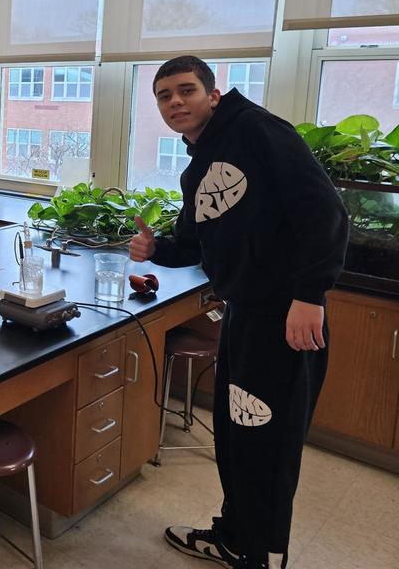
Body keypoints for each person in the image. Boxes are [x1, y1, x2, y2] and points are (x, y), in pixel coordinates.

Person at [129, 55, 348, 569]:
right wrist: (154, 247)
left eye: (186, 90)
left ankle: (263, 555)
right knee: (239, 436)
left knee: (268, 444)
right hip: (246, 314)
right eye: (164, 95)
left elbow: (326, 213)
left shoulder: (259, 131)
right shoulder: (201, 162)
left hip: (285, 318)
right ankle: (234, 538)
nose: (175, 102)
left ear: (214, 94)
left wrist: (309, 296)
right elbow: (193, 243)